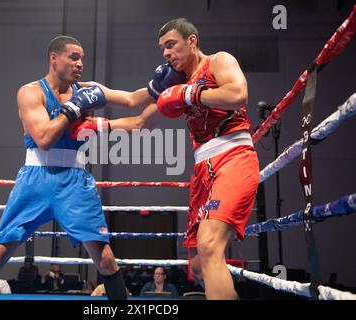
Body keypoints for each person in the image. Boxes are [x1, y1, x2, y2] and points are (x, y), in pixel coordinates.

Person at [71, 18, 259, 300]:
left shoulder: (218, 61)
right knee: (197, 266)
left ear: (192, 41)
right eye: (162, 48)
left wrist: (191, 94)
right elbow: (140, 119)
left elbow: (238, 94)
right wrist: (99, 122)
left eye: (171, 45)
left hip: (233, 156)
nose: (166, 53)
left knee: (210, 247)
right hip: (203, 170)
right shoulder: (176, 81)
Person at [0, 35, 153, 300]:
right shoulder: (31, 92)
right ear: (54, 58)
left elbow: (133, 100)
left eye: (82, 59)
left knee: (106, 259)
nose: (79, 64)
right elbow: (43, 139)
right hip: (36, 179)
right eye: (73, 57)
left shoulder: (88, 89)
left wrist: (166, 86)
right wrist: (73, 108)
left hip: (76, 181)